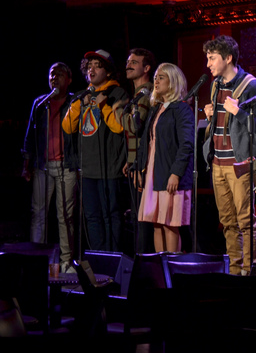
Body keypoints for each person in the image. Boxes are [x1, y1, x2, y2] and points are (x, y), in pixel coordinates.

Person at [202, 35, 256, 275]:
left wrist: (239, 112)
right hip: (218, 162)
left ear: (228, 58)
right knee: (228, 222)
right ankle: (234, 270)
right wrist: (211, 114)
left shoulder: (250, 85)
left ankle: (249, 273)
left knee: (245, 221)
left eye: (212, 58)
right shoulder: (215, 84)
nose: (208, 64)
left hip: (239, 163)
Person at [62, 49, 128, 252]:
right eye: (88, 66)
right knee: (92, 217)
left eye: (97, 66)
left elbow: (119, 127)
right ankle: (98, 259)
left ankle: (113, 260)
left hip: (110, 168)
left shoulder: (118, 93)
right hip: (88, 168)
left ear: (108, 71)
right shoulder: (83, 95)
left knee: (112, 216)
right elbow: (68, 127)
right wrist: (76, 106)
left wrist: (104, 106)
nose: (91, 69)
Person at [22, 62, 78, 273]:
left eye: (59, 74)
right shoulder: (40, 103)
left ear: (69, 79)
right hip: (43, 167)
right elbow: (29, 136)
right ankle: (36, 260)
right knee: (38, 213)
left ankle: (66, 261)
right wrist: (26, 165)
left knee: (65, 216)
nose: (54, 78)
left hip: (67, 167)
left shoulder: (74, 102)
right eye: (51, 74)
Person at [135, 63, 194, 253]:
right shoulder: (156, 109)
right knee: (156, 223)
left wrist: (176, 173)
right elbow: (146, 142)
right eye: (155, 77)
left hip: (170, 172)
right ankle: (160, 269)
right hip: (153, 172)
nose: (156, 80)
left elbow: (187, 144)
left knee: (170, 223)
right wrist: (139, 168)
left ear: (173, 81)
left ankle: (172, 272)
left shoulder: (181, 109)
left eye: (161, 77)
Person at [114, 48, 156, 253]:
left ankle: (144, 266)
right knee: (136, 216)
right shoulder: (138, 94)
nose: (128, 65)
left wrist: (118, 111)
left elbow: (135, 127)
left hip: (143, 166)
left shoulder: (146, 93)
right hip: (136, 163)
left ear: (146, 68)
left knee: (141, 219)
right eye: (128, 61)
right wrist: (129, 159)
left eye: (134, 62)